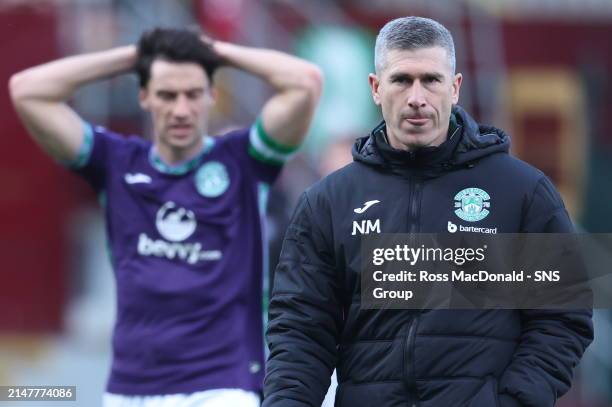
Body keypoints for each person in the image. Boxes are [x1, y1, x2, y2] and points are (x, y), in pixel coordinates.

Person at [263, 16, 592, 407]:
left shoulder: (519, 192)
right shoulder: (329, 202)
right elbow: (301, 330)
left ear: (454, 89)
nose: (416, 97)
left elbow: (562, 317)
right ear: (375, 88)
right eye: (401, 80)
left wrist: (515, 399)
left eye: (431, 80)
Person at [9, 27, 322, 406]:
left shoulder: (244, 162)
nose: (180, 109)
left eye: (193, 94)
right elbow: (27, 89)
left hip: (223, 385)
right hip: (131, 387)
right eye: (166, 94)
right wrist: (132, 56)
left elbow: (306, 81)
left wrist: (216, 51)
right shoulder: (116, 162)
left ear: (212, 95)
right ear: (144, 97)